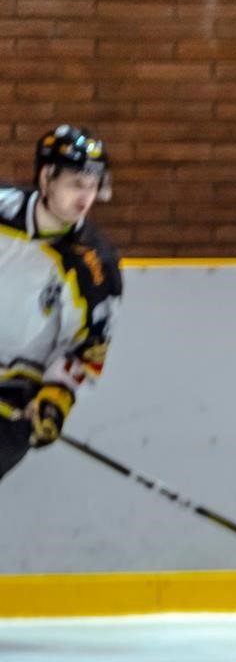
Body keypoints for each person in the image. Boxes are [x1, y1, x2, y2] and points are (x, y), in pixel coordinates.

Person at [1, 125, 120, 482]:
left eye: (92, 185)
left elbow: (88, 347)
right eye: (74, 184)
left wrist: (55, 399)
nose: (85, 197)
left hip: (12, 402)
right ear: (46, 177)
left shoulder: (94, 266)